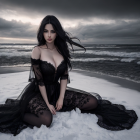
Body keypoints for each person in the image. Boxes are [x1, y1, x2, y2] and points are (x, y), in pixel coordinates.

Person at [0, 15, 138, 136]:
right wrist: (48, 104)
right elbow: (40, 80)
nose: (49, 35)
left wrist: (60, 98)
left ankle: (58, 104)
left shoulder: (61, 50)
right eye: (45, 31)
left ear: (57, 33)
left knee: (93, 102)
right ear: (42, 32)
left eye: (52, 31)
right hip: (38, 92)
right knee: (46, 120)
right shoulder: (37, 50)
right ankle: (21, 113)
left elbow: (64, 77)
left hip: (56, 91)